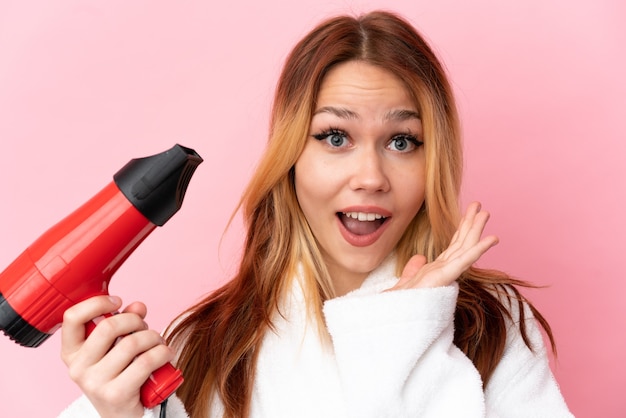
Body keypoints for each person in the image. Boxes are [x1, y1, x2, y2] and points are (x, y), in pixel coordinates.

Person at [58, 10, 573, 418]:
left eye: (402, 141)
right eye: (335, 137)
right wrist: (120, 415)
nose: (371, 176)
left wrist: (404, 325)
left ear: (434, 158)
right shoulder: (204, 344)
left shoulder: (490, 323)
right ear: (291, 158)